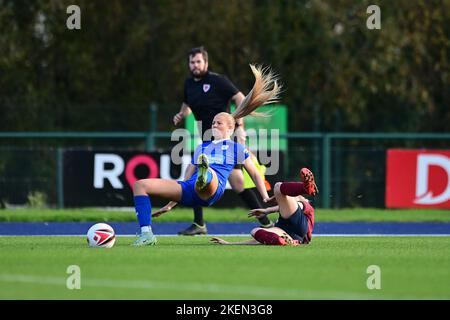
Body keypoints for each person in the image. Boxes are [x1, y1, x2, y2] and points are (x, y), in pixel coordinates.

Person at [131, 64, 281, 246]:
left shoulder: (236, 148)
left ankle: (205, 173)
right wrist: (170, 204)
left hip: (212, 188)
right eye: (213, 123)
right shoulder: (203, 147)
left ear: (230, 128)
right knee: (140, 185)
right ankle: (146, 234)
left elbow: (255, 173)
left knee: (207, 173)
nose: (214, 125)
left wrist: (265, 197)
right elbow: (185, 179)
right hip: (190, 189)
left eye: (218, 123)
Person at [173, 46, 272, 235]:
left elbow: (240, 97)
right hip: (207, 138)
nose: (195, 65)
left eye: (198, 61)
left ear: (206, 63)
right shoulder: (189, 84)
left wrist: (240, 126)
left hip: (225, 136)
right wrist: (181, 114)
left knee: (232, 182)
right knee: (220, 180)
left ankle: (265, 222)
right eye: (192, 62)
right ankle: (200, 224)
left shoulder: (217, 81)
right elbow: (187, 106)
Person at [210, 168, 318, 246]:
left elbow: (296, 202)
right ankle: (290, 242)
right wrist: (230, 244)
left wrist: (268, 210)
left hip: (300, 224)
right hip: (291, 234)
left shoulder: (302, 203)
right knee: (255, 231)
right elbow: (259, 240)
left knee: (278, 187)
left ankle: (305, 188)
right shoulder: (287, 209)